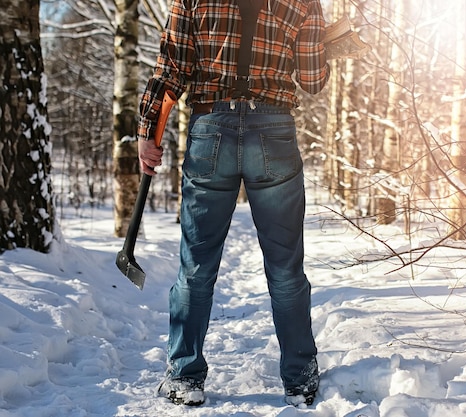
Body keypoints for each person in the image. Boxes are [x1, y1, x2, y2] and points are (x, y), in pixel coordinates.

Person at [135, 0, 330, 408]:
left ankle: (184, 376)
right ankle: (299, 378)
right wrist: (325, 47)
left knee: (197, 266)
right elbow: (312, 81)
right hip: (273, 130)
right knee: (285, 266)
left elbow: (172, 70)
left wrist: (148, 132)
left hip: (212, 129)